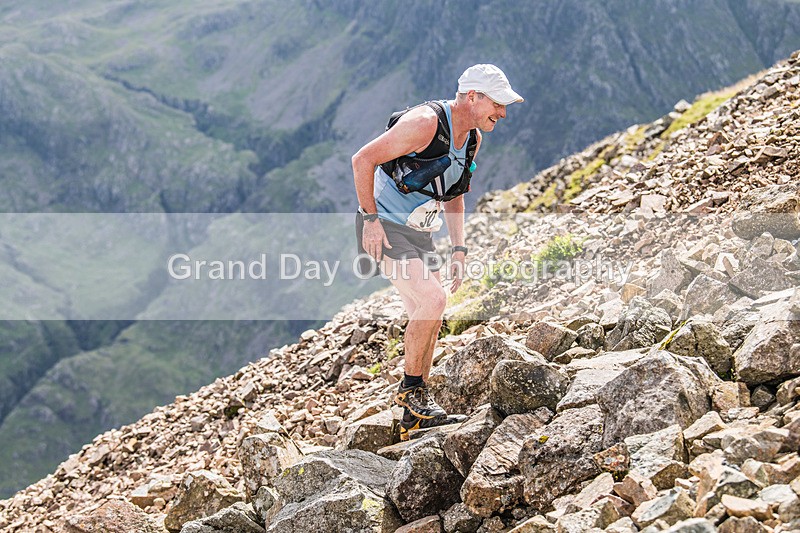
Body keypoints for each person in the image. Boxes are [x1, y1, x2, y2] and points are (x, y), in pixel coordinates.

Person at [352, 64, 523, 439]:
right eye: (498, 103)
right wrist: (370, 220)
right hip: (384, 229)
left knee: (427, 316)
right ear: (473, 96)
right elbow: (362, 160)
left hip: (420, 234)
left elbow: (455, 194)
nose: (504, 113)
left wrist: (459, 249)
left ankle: (414, 416)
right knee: (433, 300)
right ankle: (411, 392)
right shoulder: (425, 123)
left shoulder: (473, 137)